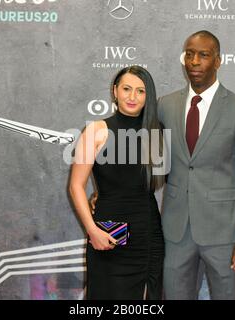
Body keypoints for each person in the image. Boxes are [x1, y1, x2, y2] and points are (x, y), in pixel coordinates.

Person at [157, 30, 235, 300]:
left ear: (218, 61)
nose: (194, 61)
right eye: (190, 54)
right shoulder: (164, 106)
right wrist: (109, 190)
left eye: (203, 55)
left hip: (224, 233)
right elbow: (147, 161)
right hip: (175, 232)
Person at [69, 66, 165, 299]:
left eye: (140, 91)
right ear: (115, 91)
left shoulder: (157, 132)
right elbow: (75, 186)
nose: (132, 97)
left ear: (148, 96)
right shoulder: (96, 131)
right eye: (127, 89)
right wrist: (92, 230)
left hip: (148, 234)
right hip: (108, 234)